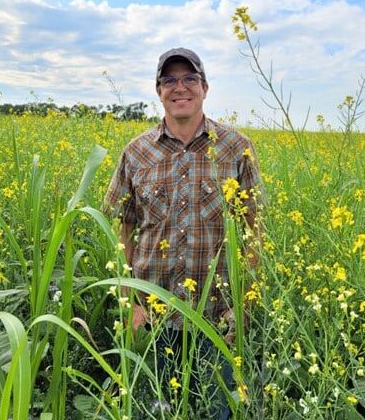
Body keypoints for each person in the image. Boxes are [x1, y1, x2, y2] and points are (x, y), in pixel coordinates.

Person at [103, 47, 262, 417]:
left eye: (189, 78)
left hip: (215, 319)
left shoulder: (237, 148)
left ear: (205, 87)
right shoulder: (136, 152)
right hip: (152, 318)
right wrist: (131, 304)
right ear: (158, 91)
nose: (180, 87)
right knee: (152, 410)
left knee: (215, 410)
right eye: (169, 80)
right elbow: (123, 233)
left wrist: (243, 305)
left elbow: (254, 232)